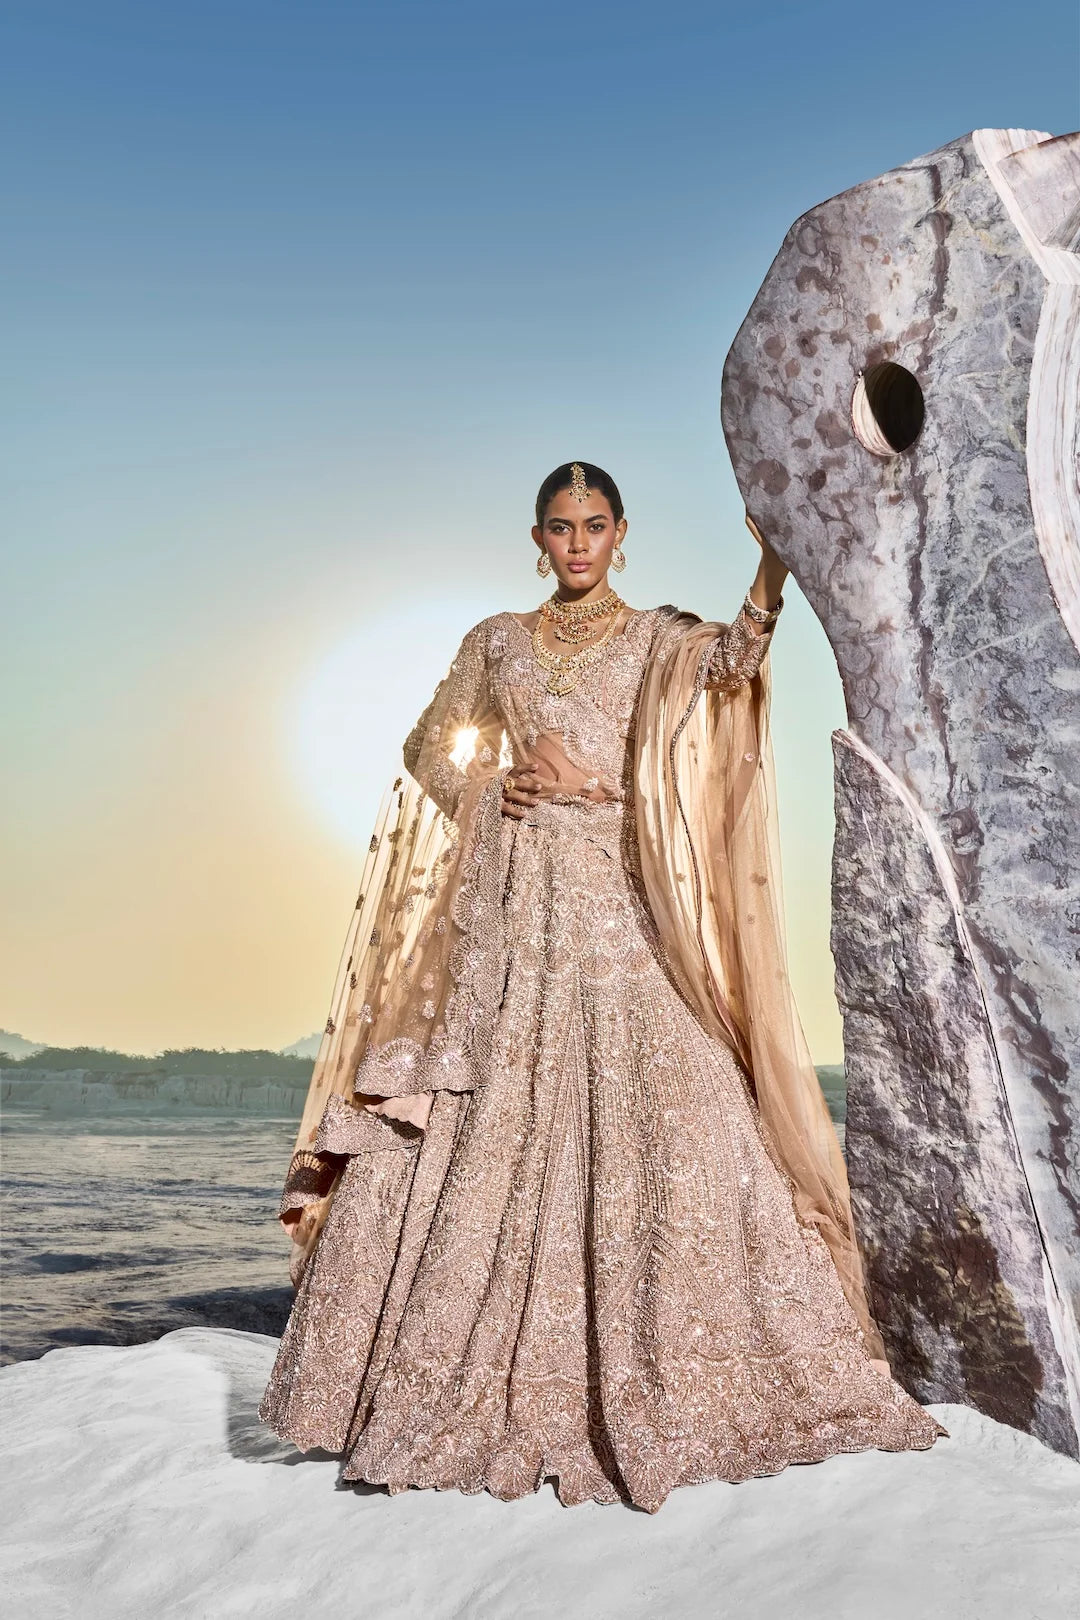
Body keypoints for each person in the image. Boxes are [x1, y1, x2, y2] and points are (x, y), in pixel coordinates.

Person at [259, 461, 946, 1512]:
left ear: (621, 534)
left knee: (685, 1095)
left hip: (619, 904)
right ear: (536, 538)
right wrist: (500, 784)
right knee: (476, 1115)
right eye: (559, 528)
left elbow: (734, 662)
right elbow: (425, 749)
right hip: (512, 917)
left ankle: (692, 1363)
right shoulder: (496, 641)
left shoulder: (658, 636)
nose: (577, 544)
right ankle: (439, 1375)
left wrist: (769, 568)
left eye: (594, 526)